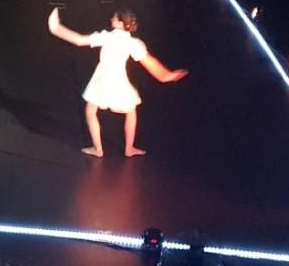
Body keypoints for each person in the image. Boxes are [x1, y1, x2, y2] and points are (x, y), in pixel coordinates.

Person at [47, 8, 188, 158]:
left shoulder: (107, 37)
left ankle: (98, 149)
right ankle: (129, 148)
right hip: (119, 80)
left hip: (102, 78)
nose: (111, 19)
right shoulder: (134, 43)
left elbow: (78, 40)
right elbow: (150, 62)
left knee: (90, 112)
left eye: (114, 18)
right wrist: (166, 76)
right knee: (131, 112)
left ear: (121, 23)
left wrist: (56, 28)